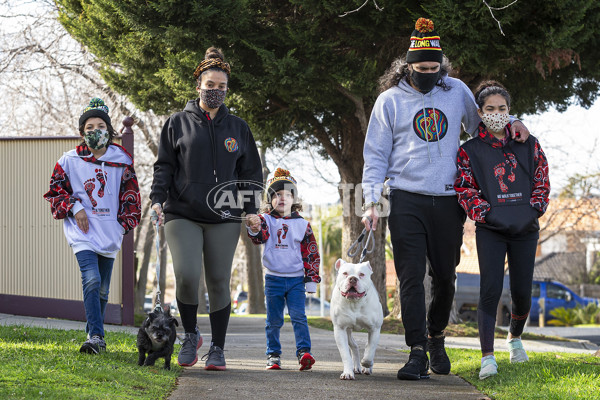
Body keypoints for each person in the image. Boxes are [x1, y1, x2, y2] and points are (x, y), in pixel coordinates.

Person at [361, 17, 531, 381]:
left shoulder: (456, 92)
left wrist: (514, 121)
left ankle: (437, 336)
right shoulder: (389, 101)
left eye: (434, 68)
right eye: (421, 69)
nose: (428, 74)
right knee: (409, 277)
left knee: (444, 277)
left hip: (448, 199)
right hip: (406, 197)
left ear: (442, 66)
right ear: (407, 65)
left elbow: (484, 123)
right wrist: (371, 202)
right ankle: (417, 350)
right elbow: (375, 156)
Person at [150, 47, 263, 370]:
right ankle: (190, 335)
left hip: (225, 215)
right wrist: (157, 199)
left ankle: (217, 348)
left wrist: (250, 208)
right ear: (198, 85)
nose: (215, 91)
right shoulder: (177, 123)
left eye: (222, 87)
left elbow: (250, 173)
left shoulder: (238, 128)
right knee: (186, 275)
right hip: (182, 212)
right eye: (210, 85)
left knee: (217, 280)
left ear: (228, 89)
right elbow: (164, 167)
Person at [454, 81, 550, 379]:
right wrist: (485, 214)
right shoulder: (468, 151)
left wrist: (532, 210)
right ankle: (487, 357)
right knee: (491, 290)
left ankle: (515, 338)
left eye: (503, 108)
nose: (497, 114)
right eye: (490, 109)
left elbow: (542, 179)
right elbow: (464, 188)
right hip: (491, 230)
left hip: (525, 229)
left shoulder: (529, 142)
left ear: (510, 110)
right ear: (480, 113)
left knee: (521, 293)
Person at [44, 97, 141, 354]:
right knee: (92, 279)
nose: (95, 131)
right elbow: (55, 193)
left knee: (102, 290)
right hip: (82, 232)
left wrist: (121, 226)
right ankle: (97, 337)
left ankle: (93, 334)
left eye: (100, 126)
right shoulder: (68, 161)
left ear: (109, 130)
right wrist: (76, 208)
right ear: (81, 132)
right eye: (89, 127)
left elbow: (132, 198)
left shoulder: (122, 160)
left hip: (110, 233)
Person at [245, 168, 321, 371]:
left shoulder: (303, 224)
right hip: (273, 279)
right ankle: (273, 355)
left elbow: (311, 253)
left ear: (294, 199)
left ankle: (304, 352)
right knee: (274, 320)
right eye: (277, 195)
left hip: (296, 279)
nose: (282, 198)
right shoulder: (265, 220)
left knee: (298, 316)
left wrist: (311, 279)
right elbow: (259, 237)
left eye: (287, 194)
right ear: (270, 200)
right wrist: (253, 227)